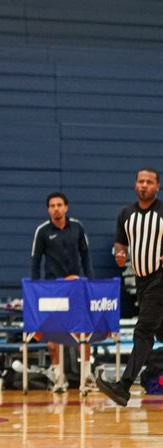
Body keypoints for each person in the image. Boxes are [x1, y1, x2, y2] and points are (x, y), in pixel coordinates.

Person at [95, 167, 163, 407]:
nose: (144, 185)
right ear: (135, 185)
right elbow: (120, 243)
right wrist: (120, 254)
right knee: (160, 332)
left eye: (149, 182)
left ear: (157, 187)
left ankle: (123, 387)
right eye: (140, 181)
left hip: (161, 278)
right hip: (142, 280)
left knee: (143, 331)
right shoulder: (126, 214)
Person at [29, 191, 93, 392]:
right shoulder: (42, 231)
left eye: (59, 205)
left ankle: (86, 376)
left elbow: (86, 256)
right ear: (48, 209)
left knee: (84, 333)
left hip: (75, 287)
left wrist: (89, 283)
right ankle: (58, 378)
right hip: (51, 290)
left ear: (66, 207)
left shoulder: (77, 228)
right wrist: (35, 289)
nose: (56, 208)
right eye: (52, 205)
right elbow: (35, 261)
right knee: (52, 336)